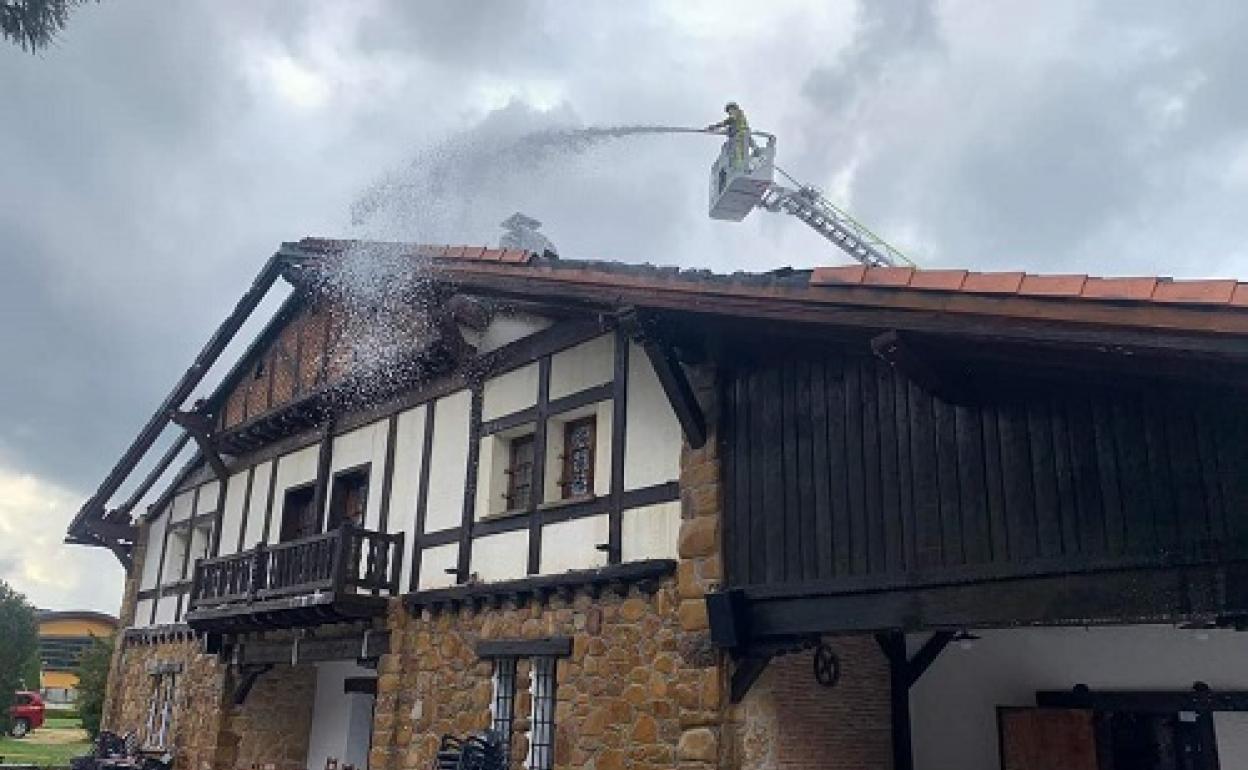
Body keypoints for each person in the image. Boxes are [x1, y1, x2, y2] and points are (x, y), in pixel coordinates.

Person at [706, 102, 752, 169]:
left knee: (737, 153)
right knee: (741, 152)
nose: (729, 113)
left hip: (739, 136)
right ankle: (741, 166)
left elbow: (729, 121)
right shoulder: (739, 117)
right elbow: (733, 126)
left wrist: (715, 126)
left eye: (729, 110)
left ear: (733, 108)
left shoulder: (737, 113)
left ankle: (739, 167)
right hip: (742, 135)